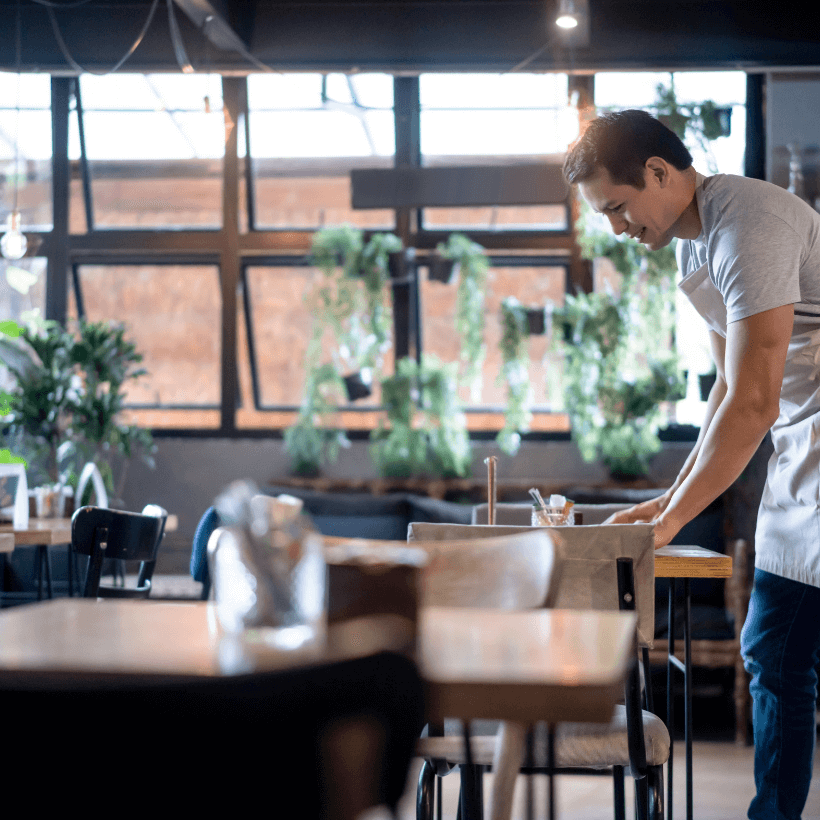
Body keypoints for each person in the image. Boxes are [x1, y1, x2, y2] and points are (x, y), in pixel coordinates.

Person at [563, 109, 820, 820]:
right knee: (775, 653)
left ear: (659, 172)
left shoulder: (750, 227)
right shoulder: (690, 247)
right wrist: (669, 496)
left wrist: (674, 519)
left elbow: (754, 403)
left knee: (776, 647)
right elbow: (726, 392)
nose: (617, 228)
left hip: (808, 437)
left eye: (618, 207)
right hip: (804, 444)